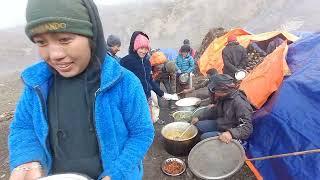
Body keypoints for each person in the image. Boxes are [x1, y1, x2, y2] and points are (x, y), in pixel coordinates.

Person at [8, 1, 154, 180]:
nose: (54, 54)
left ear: (91, 35)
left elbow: (142, 133)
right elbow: (24, 126)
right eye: (41, 42)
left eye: (64, 39)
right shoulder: (36, 84)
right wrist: (27, 159)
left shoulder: (124, 83)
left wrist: (117, 173)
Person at [121, 31, 175, 119]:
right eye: (141, 48)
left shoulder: (147, 62)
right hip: (134, 100)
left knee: (148, 119)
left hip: (147, 97)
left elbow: (149, 80)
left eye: (146, 48)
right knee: (137, 122)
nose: (144, 51)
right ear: (135, 47)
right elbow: (122, 83)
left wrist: (162, 94)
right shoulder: (126, 61)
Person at [191, 74, 253, 143]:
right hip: (222, 123)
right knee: (198, 125)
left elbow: (247, 127)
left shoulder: (240, 103)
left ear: (224, 89)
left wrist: (231, 133)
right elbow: (215, 110)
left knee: (204, 137)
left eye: (216, 91)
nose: (214, 93)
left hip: (230, 130)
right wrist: (199, 117)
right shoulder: (223, 97)